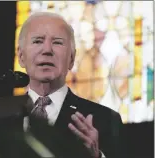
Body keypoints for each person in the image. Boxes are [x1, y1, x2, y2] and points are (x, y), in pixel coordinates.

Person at [17, 12, 125, 158]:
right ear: (21, 56)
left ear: (72, 59)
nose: (47, 50)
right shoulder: (1, 119)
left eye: (57, 42)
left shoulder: (106, 120)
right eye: (37, 41)